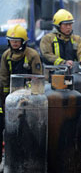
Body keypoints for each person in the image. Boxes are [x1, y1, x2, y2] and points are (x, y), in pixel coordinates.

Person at [0, 24, 43, 164]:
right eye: (12, 40)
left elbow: (38, 78)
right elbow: (4, 79)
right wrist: (4, 100)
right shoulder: (6, 56)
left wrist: (32, 97)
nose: (14, 43)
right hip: (11, 99)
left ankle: (31, 155)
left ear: (23, 41)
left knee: (29, 127)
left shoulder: (32, 55)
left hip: (29, 99)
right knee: (11, 128)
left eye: (17, 40)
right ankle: (12, 154)